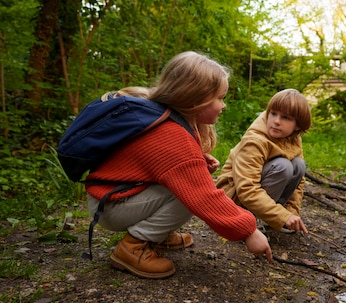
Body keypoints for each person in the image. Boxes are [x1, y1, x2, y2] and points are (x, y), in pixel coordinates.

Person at [85, 51, 272, 279]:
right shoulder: (172, 133)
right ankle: (133, 247)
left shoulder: (163, 116)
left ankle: (157, 234)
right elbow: (205, 197)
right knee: (189, 195)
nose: (223, 105)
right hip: (110, 205)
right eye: (219, 98)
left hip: (110, 197)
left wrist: (197, 160)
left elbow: (149, 158)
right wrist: (249, 231)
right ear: (195, 98)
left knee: (189, 184)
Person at [216, 89, 311, 234]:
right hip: (233, 200)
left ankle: (271, 217)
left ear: (297, 125)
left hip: (259, 195)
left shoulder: (293, 138)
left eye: (285, 117)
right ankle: (248, 221)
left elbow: (299, 184)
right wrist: (282, 216)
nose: (276, 121)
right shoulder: (255, 140)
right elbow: (247, 188)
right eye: (273, 114)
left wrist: (291, 212)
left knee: (298, 165)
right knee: (283, 166)